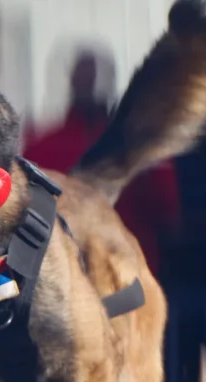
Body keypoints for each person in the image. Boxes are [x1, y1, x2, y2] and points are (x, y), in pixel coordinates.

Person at [23, 48, 180, 277]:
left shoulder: (135, 145)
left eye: (91, 77)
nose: (88, 83)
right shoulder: (45, 147)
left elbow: (167, 211)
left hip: (127, 270)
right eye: (83, 76)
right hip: (67, 274)